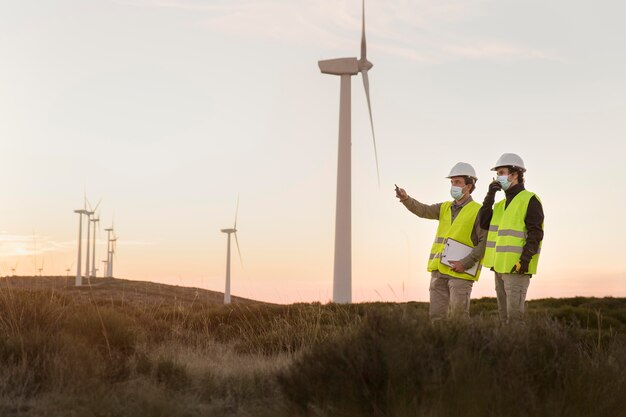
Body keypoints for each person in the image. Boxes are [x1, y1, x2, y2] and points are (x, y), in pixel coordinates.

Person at [396, 162, 486, 321]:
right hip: (438, 272)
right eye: (452, 182)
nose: (453, 186)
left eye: (457, 182)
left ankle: (461, 346)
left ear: (469, 186)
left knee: (459, 318)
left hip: (460, 273)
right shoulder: (444, 207)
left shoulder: (479, 211)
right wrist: (406, 199)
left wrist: (464, 263)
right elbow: (422, 210)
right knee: (436, 318)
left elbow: (484, 244)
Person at [479, 153, 544, 324]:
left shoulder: (530, 199)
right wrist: (489, 197)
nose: (499, 177)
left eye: (502, 172)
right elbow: (484, 223)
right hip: (499, 269)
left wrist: (525, 260)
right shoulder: (500, 205)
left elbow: (535, 234)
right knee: (503, 319)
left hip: (517, 269)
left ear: (515, 174)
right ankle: (506, 350)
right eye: (498, 173)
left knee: (515, 320)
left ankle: (519, 350)